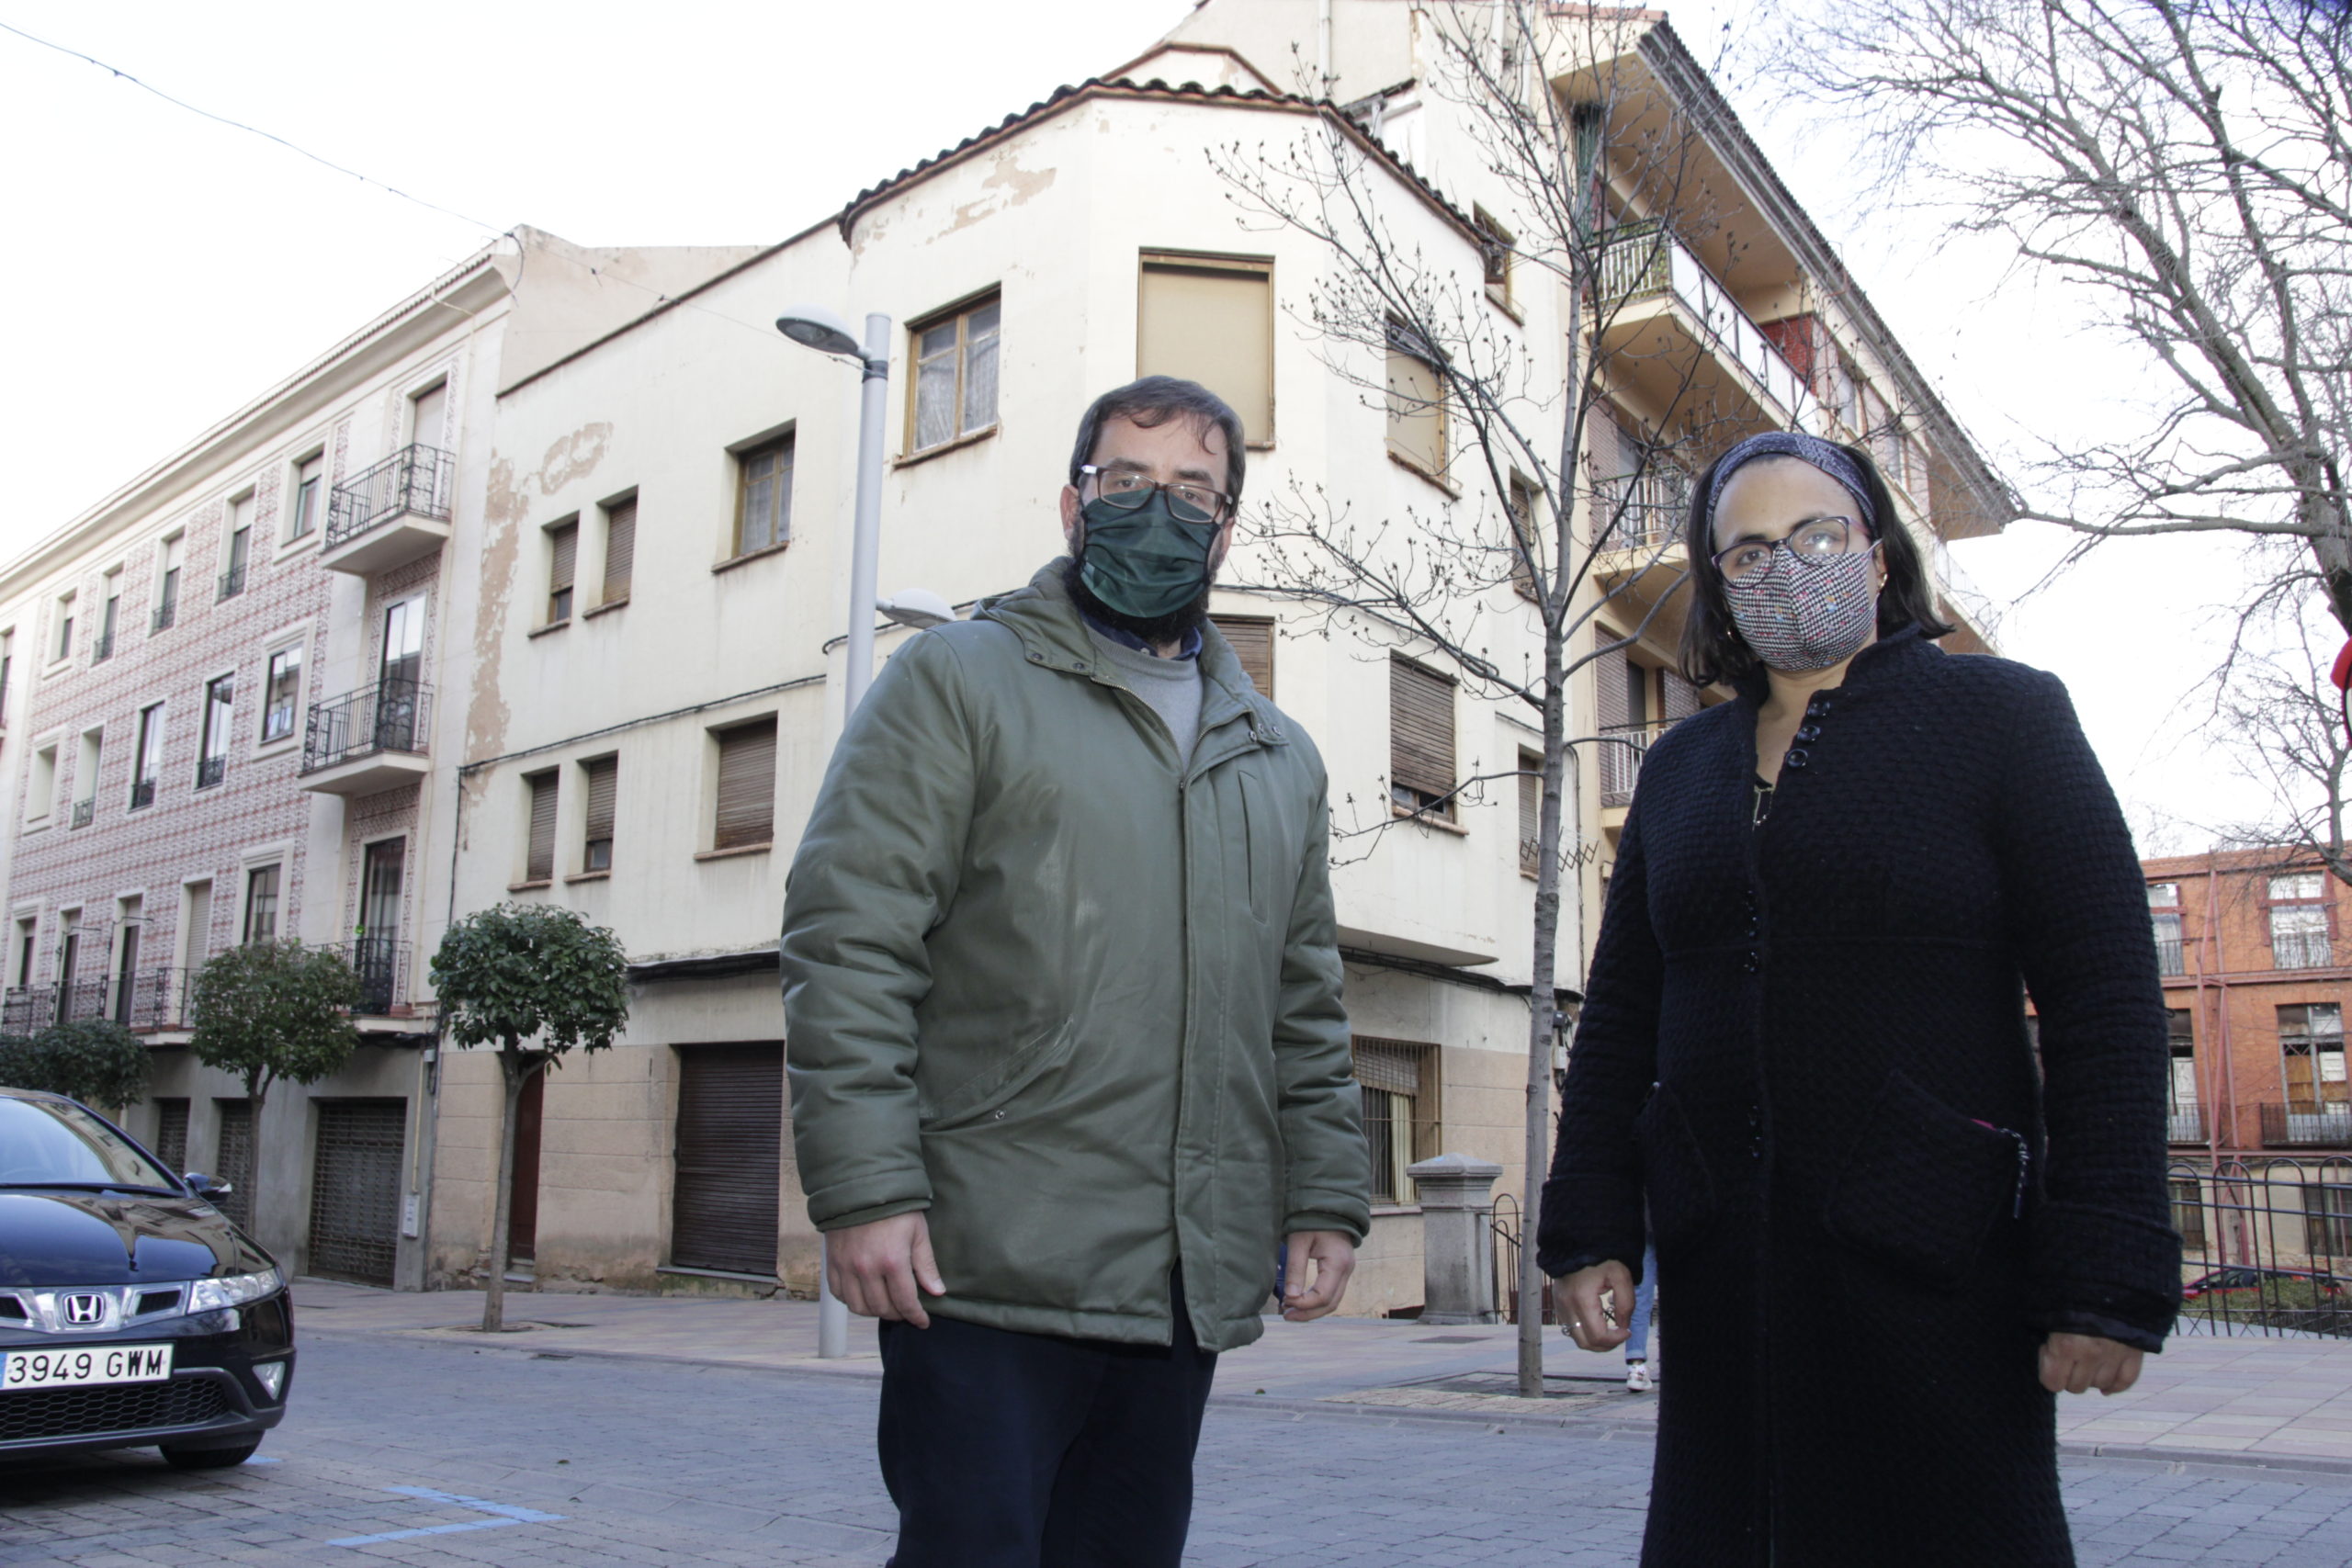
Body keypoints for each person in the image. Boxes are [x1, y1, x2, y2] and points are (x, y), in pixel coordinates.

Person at [1537, 431, 2178, 1567]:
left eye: (1817, 534)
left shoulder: (2004, 719)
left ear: (1876, 554)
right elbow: (1623, 1009)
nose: (1786, 566)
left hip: (1935, 1259)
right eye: (1747, 552)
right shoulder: (1681, 771)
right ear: (1720, 585)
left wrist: (2107, 1270)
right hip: (1720, 1263)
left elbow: (2107, 998)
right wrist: (1590, 1221)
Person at [780, 376, 1371, 1568]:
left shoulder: (1279, 755)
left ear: (1227, 527)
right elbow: (852, 940)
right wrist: (863, 1186)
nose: (1157, 511)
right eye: (1126, 483)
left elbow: (1302, 1000)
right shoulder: (956, 681)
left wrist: (1326, 1193)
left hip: (1176, 1283)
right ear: (1072, 503)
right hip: (984, 1264)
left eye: (1191, 490)